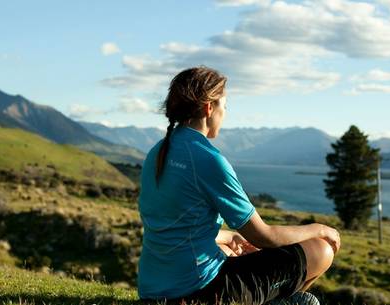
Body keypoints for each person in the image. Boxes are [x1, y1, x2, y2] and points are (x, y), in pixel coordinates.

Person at [137, 66, 340, 305]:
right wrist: (320, 229)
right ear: (209, 107)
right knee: (321, 250)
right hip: (196, 293)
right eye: (225, 106)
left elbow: (172, 228)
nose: (225, 113)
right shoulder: (208, 159)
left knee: (232, 250)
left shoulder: (157, 152)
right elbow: (265, 237)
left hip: (153, 289)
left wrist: (228, 236)